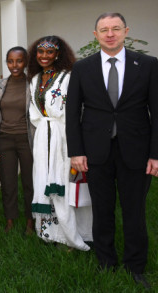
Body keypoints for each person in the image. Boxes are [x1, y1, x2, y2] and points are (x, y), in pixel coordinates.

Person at [66, 13, 158, 289]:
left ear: (126, 31)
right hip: (95, 152)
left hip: (136, 150)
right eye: (104, 30)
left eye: (115, 28)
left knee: (135, 211)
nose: (110, 34)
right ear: (95, 35)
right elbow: (72, 113)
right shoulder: (82, 68)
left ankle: (136, 267)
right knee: (102, 210)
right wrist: (76, 152)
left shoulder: (147, 65)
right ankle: (106, 263)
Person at [28, 35, 92, 251]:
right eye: (40, 51)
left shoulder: (68, 77)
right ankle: (51, 233)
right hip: (43, 137)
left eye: (50, 51)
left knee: (64, 183)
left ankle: (72, 237)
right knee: (43, 180)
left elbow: (76, 112)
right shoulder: (35, 79)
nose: (44, 56)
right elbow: (34, 114)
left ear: (58, 54)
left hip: (64, 136)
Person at [0, 46, 34, 235]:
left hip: (27, 140)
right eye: (10, 61)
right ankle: (10, 220)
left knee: (30, 181)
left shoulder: (33, 84)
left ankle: (30, 221)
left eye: (19, 61)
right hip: (4, 139)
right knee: (8, 182)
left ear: (26, 62)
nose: (14, 65)